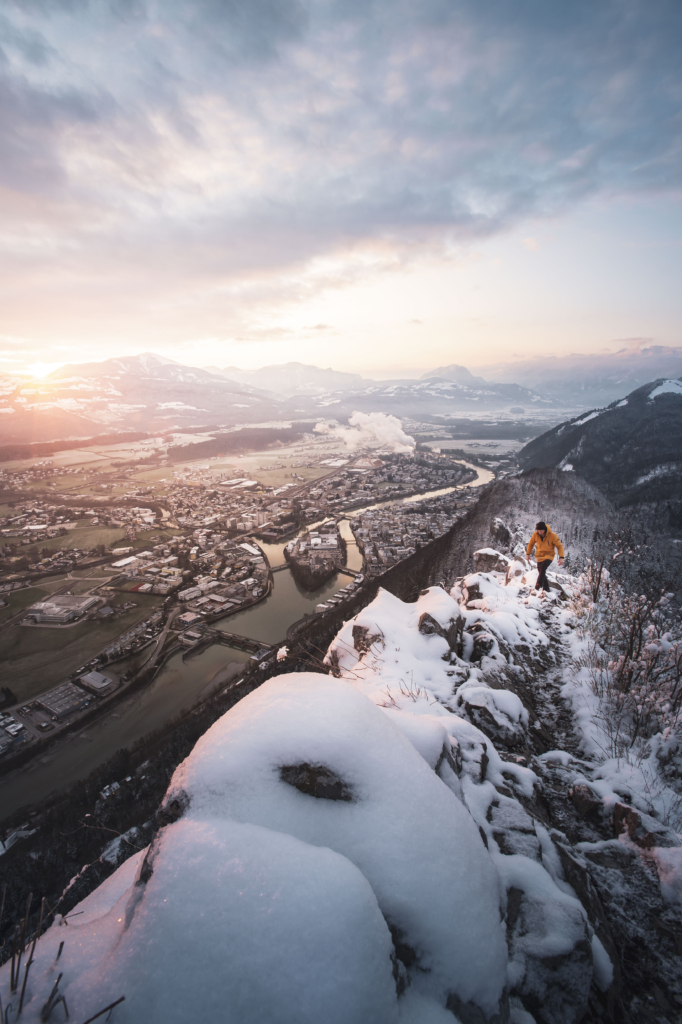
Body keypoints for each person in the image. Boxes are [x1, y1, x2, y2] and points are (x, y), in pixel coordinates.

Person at [526, 521, 564, 594]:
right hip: (539, 555)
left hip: (549, 555)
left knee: (543, 568)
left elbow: (559, 546)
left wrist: (561, 557)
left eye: (541, 531)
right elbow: (531, 544)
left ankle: (538, 585)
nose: (539, 532)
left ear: (545, 530)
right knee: (540, 571)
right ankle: (546, 589)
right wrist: (528, 554)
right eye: (538, 531)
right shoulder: (535, 534)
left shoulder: (552, 536)